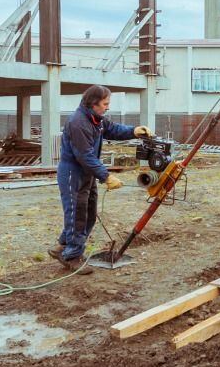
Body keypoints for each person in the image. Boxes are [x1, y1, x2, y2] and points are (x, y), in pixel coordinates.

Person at [51, 85, 152, 267]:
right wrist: (106, 176)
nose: (107, 107)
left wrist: (133, 131)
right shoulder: (78, 123)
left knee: (89, 213)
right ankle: (72, 257)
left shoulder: (96, 119)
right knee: (77, 214)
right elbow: (85, 156)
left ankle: (63, 246)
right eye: (105, 104)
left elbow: (112, 129)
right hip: (73, 173)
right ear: (93, 103)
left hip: (86, 172)